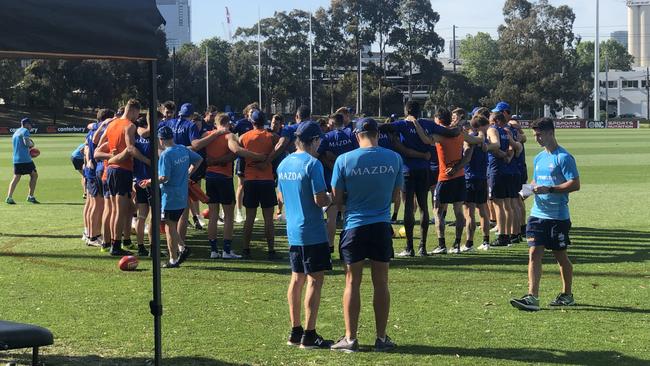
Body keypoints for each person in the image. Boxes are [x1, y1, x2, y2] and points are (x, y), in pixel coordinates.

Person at [330, 118, 402, 353]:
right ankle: (381, 338)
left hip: (354, 226)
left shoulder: (344, 160)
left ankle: (350, 339)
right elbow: (395, 196)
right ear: (377, 134)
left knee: (352, 283)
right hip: (381, 225)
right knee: (381, 283)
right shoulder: (393, 158)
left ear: (357, 134)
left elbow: (337, 201)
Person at [510, 118, 580, 311]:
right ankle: (532, 297)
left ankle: (567, 294)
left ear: (550, 133)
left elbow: (575, 184)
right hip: (537, 214)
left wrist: (549, 189)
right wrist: (526, 192)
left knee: (561, 257)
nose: (537, 139)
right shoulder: (539, 157)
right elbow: (536, 180)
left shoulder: (564, 157)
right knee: (534, 253)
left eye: (540, 135)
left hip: (557, 217)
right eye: (535, 135)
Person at [277, 121, 333, 349]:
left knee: (296, 278)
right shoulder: (313, 164)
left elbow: (280, 195)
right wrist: (331, 199)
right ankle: (309, 335)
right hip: (312, 229)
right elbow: (320, 198)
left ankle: (295, 330)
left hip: (293, 229)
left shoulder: (283, 163)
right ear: (315, 141)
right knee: (315, 280)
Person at [392, 101, 460, 257]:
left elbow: (383, 128)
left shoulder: (401, 124)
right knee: (424, 206)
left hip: (407, 170)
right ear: (419, 110)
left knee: (409, 207)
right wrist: (459, 128)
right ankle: (422, 247)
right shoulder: (427, 124)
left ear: (406, 111)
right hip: (424, 170)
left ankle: (410, 247)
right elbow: (451, 133)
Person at [411, 108, 483, 254]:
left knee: (438, 211)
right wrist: (481, 133)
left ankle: (441, 244)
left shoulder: (440, 135)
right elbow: (475, 141)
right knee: (458, 211)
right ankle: (456, 245)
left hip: (445, 177)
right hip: (460, 176)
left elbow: (425, 139)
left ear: (438, 119)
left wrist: (415, 123)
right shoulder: (459, 133)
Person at [192, 113, 264, 259]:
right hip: (224, 178)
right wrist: (258, 156)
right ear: (228, 123)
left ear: (215, 124)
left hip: (210, 177)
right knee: (229, 215)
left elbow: (195, 145)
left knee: (212, 215)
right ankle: (226, 251)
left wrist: (213, 160)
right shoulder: (229, 136)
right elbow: (236, 151)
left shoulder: (207, 134)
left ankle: (213, 250)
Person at [97, 99, 150, 256]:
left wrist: (111, 156)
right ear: (133, 110)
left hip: (111, 170)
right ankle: (115, 245)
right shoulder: (129, 125)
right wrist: (148, 161)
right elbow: (131, 148)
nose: (136, 117)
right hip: (122, 170)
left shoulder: (112, 123)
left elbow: (100, 144)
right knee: (120, 211)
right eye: (137, 114)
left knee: (114, 210)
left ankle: (114, 242)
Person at [148, 126, 203, 268]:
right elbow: (198, 160)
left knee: (169, 225)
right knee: (170, 225)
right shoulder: (183, 149)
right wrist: (188, 173)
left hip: (170, 195)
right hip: (182, 194)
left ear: (160, 140)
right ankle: (176, 255)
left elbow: (164, 177)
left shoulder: (166, 155)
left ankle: (179, 251)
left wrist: (149, 181)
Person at [239, 110, 279, 259]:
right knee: (268, 218)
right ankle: (271, 250)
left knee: (250, 217)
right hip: (267, 179)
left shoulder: (244, 137)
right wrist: (268, 159)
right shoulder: (271, 136)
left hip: (250, 179)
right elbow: (282, 143)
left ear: (252, 121)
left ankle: (246, 249)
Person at [316, 113, 359, 250]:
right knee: (348, 215)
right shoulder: (351, 134)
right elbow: (357, 154)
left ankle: (330, 245)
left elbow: (317, 155)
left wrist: (329, 159)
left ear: (333, 124)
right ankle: (348, 245)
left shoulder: (327, 137)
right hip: (350, 179)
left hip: (332, 181)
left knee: (332, 217)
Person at [486, 110, 520, 247]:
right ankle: (512, 234)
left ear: (494, 121)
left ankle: (503, 236)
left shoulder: (493, 130)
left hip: (496, 170)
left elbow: (495, 148)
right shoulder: (507, 132)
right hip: (506, 170)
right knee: (508, 205)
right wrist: (507, 156)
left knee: (499, 205)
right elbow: (516, 147)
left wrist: (487, 147)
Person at [464, 115, 492, 251]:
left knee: (469, 212)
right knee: (482, 210)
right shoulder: (483, 139)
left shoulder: (471, 138)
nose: (488, 128)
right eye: (486, 126)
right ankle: (486, 241)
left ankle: (469, 243)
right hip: (482, 178)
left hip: (470, 178)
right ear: (480, 126)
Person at [232, 103, 257, 223]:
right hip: (242, 159)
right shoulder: (241, 123)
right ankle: (238, 213)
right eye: (251, 112)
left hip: (254, 159)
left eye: (255, 111)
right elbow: (232, 135)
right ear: (247, 113)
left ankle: (249, 212)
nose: (253, 114)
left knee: (252, 185)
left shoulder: (259, 123)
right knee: (241, 185)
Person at [6, 118, 39, 204]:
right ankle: (30, 197)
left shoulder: (16, 132)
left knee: (16, 177)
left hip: (16, 159)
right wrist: (32, 144)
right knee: (34, 175)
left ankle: (9, 197)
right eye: (30, 124)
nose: (31, 126)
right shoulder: (25, 131)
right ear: (26, 124)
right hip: (25, 159)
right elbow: (27, 143)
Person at [133, 115, 153, 257]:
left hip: (139, 181)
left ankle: (141, 246)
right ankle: (153, 247)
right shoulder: (153, 139)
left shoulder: (135, 140)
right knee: (153, 216)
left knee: (141, 216)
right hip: (151, 181)